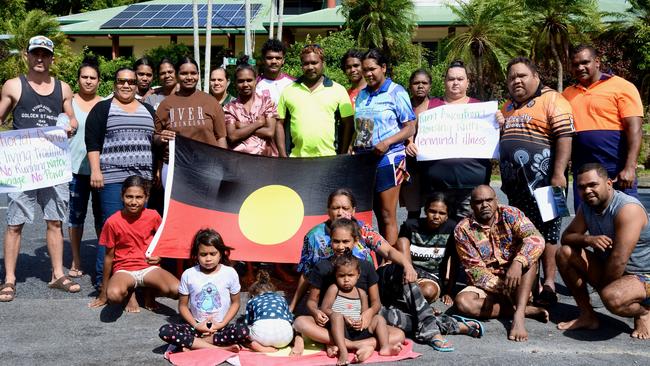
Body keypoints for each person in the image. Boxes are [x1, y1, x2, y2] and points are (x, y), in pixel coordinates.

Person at [0, 35, 79, 302]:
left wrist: (71, 125)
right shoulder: (14, 85)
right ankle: (9, 279)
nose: (40, 58)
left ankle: (57, 274)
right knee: (15, 223)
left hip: (53, 164)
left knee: (55, 220)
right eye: (36, 53)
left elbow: (71, 118)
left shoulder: (63, 88)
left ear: (52, 58)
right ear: (27, 55)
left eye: (45, 54)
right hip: (22, 165)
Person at [499, 57, 574, 307]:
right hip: (515, 187)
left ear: (536, 77)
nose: (516, 81)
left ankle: (549, 283)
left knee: (550, 231)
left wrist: (559, 174)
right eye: (512, 77)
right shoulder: (507, 107)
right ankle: (531, 282)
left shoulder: (553, 99)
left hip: (548, 181)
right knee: (522, 232)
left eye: (522, 75)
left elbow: (564, 136)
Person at [556, 163, 650, 339]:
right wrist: (588, 239)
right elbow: (567, 237)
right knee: (565, 253)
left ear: (608, 184)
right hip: (614, 270)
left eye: (593, 184)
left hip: (644, 274)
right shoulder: (587, 206)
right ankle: (587, 316)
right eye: (582, 187)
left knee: (613, 298)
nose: (587, 191)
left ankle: (644, 312)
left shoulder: (627, 209)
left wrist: (604, 291)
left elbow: (619, 259)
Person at [293, 219, 406, 361]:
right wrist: (316, 312)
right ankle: (357, 345)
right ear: (330, 241)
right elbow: (312, 301)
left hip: (360, 324)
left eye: (345, 241)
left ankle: (340, 344)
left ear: (356, 241)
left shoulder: (366, 267)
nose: (340, 246)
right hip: (332, 324)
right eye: (336, 241)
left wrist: (368, 314)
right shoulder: (322, 267)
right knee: (300, 322)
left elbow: (376, 302)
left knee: (399, 335)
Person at [291, 188, 418, 312]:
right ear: (328, 210)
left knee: (401, 268)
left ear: (353, 211)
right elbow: (306, 273)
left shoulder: (363, 229)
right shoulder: (314, 235)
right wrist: (293, 307)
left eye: (345, 208)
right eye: (335, 208)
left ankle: (417, 313)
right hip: (332, 294)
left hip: (366, 288)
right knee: (303, 323)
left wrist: (408, 265)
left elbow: (388, 251)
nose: (340, 213)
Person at [85, 67, 156, 288]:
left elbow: (155, 142)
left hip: (142, 181)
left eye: (131, 82)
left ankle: (136, 278)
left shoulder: (148, 109)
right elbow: (93, 142)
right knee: (111, 229)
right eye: (121, 81)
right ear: (114, 83)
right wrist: (96, 171)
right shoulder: (103, 108)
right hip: (112, 178)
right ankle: (103, 282)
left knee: (140, 231)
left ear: (137, 85)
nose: (126, 85)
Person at [454, 185, 548, 342]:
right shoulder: (463, 229)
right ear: (471, 205)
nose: (485, 205)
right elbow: (475, 270)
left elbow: (536, 239)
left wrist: (518, 263)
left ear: (496, 201)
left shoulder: (511, 214)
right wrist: (503, 288)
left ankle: (518, 317)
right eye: (479, 202)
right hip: (489, 284)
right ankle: (524, 309)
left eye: (489, 200)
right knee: (463, 303)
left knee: (529, 254)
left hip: (520, 278)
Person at [563, 44, 644, 207]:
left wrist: (629, 168)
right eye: (575, 64)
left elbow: (634, 129)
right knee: (586, 221)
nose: (580, 67)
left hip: (616, 170)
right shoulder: (566, 94)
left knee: (624, 219)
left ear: (597, 62)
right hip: (583, 171)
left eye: (585, 62)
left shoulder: (623, 87)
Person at [415, 61, 496, 221]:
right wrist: (410, 142)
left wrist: (499, 121)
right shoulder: (429, 107)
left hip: (472, 187)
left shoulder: (482, 109)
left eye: (460, 79)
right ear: (445, 81)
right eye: (451, 79)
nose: (455, 82)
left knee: (470, 231)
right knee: (440, 231)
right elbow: (411, 129)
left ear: (467, 82)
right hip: (436, 187)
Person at [353, 49, 416, 247]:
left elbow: (410, 127)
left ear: (384, 68)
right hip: (365, 160)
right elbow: (362, 127)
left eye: (372, 69)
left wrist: (387, 142)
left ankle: (390, 268)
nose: (368, 73)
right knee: (373, 214)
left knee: (388, 215)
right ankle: (378, 260)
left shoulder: (396, 92)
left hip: (389, 159)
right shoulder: (362, 94)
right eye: (364, 70)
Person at [88, 176, 179, 312]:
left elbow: (165, 239)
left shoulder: (153, 216)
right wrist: (103, 292)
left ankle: (150, 291)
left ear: (146, 197)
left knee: (178, 290)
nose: (134, 202)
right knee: (114, 296)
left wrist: (160, 256)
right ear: (122, 196)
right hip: (124, 269)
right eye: (129, 197)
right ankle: (130, 293)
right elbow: (108, 257)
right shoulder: (112, 222)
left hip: (148, 267)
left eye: (139, 197)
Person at [158, 228, 246, 351]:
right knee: (165, 331)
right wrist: (196, 325)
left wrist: (222, 324)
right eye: (203, 254)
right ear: (196, 255)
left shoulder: (230, 273)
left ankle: (198, 344)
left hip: (221, 328)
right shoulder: (189, 274)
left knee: (242, 330)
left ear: (220, 253)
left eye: (213, 253)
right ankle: (219, 348)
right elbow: (182, 306)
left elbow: (236, 302)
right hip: (196, 327)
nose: (208, 258)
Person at [154, 57, 228, 187]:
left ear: (198, 75)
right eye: (184, 73)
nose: (189, 77)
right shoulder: (165, 104)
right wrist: (160, 138)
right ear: (177, 75)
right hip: (175, 169)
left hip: (207, 168)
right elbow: (155, 137)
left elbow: (221, 137)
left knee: (205, 206)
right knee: (176, 208)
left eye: (193, 73)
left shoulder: (211, 102)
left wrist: (224, 167)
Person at [321, 252, 402, 365]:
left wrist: (361, 321)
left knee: (378, 319)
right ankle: (344, 351)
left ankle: (384, 347)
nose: (346, 280)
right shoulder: (334, 289)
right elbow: (325, 308)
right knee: (336, 315)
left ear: (358, 275)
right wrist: (343, 317)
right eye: (341, 275)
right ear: (336, 275)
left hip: (358, 331)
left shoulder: (361, 293)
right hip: (341, 331)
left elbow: (364, 314)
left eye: (350, 275)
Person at [276, 44, 354, 157]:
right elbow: (279, 123)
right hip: (296, 159)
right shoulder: (288, 90)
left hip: (329, 159)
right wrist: (283, 156)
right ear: (301, 65)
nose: (310, 67)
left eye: (314, 63)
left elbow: (348, 123)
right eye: (306, 63)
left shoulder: (338, 90)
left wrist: (341, 155)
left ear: (323, 63)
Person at [67, 55, 103, 280]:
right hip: (73, 171)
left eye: (93, 78)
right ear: (78, 79)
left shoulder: (106, 103)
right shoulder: (67, 103)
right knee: (75, 218)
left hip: (99, 171)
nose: (88, 81)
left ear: (99, 81)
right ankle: (76, 259)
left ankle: (103, 259)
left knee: (102, 218)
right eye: (84, 77)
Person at [396, 193, 459, 305]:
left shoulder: (452, 229)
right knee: (402, 240)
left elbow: (454, 261)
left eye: (442, 213)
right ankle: (412, 299)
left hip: (431, 276)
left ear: (447, 216)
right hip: (407, 271)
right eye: (432, 211)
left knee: (428, 291)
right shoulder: (411, 226)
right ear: (425, 211)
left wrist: (449, 291)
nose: (436, 216)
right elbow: (399, 249)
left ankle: (408, 296)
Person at [224, 56, 278, 157]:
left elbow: (270, 132)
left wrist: (242, 126)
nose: (245, 84)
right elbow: (232, 136)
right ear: (235, 83)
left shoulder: (267, 103)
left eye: (249, 80)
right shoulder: (230, 108)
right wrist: (258, 123)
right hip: (239, 162)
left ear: (256, 81)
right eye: (241, 81)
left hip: (266, 160)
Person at [399, 69, 433, 219]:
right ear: (410, 85)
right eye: (416, 83)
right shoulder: (401, 106)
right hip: (410, 164)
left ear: (430, 86)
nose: (420, 86)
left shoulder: (438, 107)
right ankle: (410, 239)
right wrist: (407, 143)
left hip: (433, 166)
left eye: (424, 83)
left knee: (435, 207)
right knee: (413, 209)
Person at [244, 270, 294, 352]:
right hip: (285, 338)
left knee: (243, 331)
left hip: (261, 337)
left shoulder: (253, 300)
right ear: (273, 291)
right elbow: (290, 319)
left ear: (253, 294)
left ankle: (256, 346)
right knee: (295, 331)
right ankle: (298, 343)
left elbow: (248, 322)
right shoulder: (281, 298)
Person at [255, 39, 294, 106]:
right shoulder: (255, 83)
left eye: (278, 58)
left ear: (283, 60)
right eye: (269, 58)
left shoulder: (293, 83)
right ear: (263, 60)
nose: (274, 61)